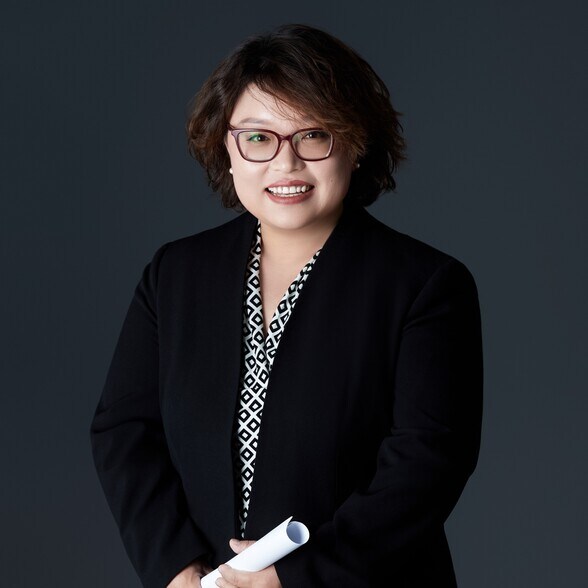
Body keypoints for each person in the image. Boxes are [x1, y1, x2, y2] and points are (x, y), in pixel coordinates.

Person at [90, 23, 483, 588]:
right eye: (258, 137)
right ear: (227, 147)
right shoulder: (174, 274)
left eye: (314, 136)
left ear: (356, 144)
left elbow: (429, 462)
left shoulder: (426, 285)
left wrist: (297, 576)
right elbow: (123, 431)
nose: (286, 163)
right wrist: (176, 569)